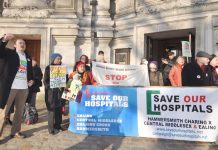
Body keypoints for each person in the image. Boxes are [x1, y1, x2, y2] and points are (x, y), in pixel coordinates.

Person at [0, 33, 34, 138]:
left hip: (23, 88)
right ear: (15, 45)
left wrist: (31, 79)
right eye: (20, 43)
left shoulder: (28, 57)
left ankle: (15, 131)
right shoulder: (9, 53)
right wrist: (4, 40)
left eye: (24, 43)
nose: (22, 44)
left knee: (19, 112)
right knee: (4, 112)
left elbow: (30, 71)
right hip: (10, 88)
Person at [44, 53, 65, 135]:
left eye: (60, 59)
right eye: (57, 59)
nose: (59, 60)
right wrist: (52, 85)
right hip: (51, 93)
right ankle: (51, 129)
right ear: (53, 59)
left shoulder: (62, 68)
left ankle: (58, 125)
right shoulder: (48, 68)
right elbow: (45, 81)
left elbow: (64, 80)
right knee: (51, 110)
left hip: (60, 93)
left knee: (59, 110)